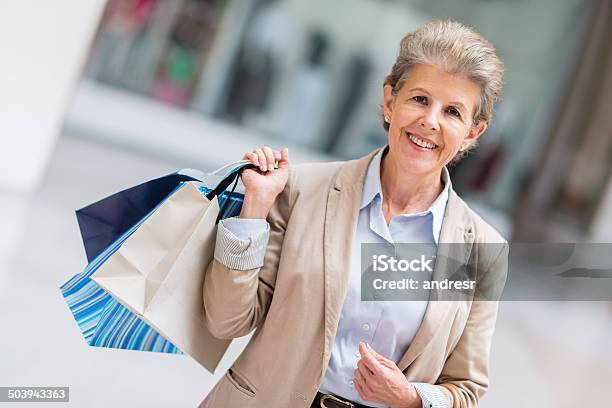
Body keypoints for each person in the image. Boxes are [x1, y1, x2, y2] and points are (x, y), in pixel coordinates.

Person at [200, 20, 508, 408]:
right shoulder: (301, 191)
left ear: (472, 133)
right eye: (419, 99)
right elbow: (227, 320)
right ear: (390, 101)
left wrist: (412, 398)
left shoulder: (480, 250)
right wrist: (254, 210)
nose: (430, 121)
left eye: (452, 111)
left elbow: (465, 389)